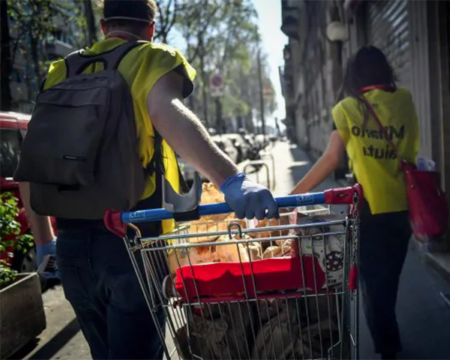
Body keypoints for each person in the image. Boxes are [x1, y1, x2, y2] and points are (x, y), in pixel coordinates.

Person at [18, 1, 277, 359]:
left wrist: (44, 241)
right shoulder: (151, 58)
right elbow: (167, 111)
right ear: (151, 28)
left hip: (71, 248)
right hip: (133, 243)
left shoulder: (61, 70)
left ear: (104, 26)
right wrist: (230, 179)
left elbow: (32, 160)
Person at [290, 46, 419, 360]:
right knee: (388, 281)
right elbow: (411, 149)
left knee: (374, 286)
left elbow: (332, 158)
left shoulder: (348, 109)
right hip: (403, 206)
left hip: (370, 210)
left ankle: (388, 347)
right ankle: (389, 339)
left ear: (354, 75)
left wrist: (294, 194)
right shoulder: (403, 100)